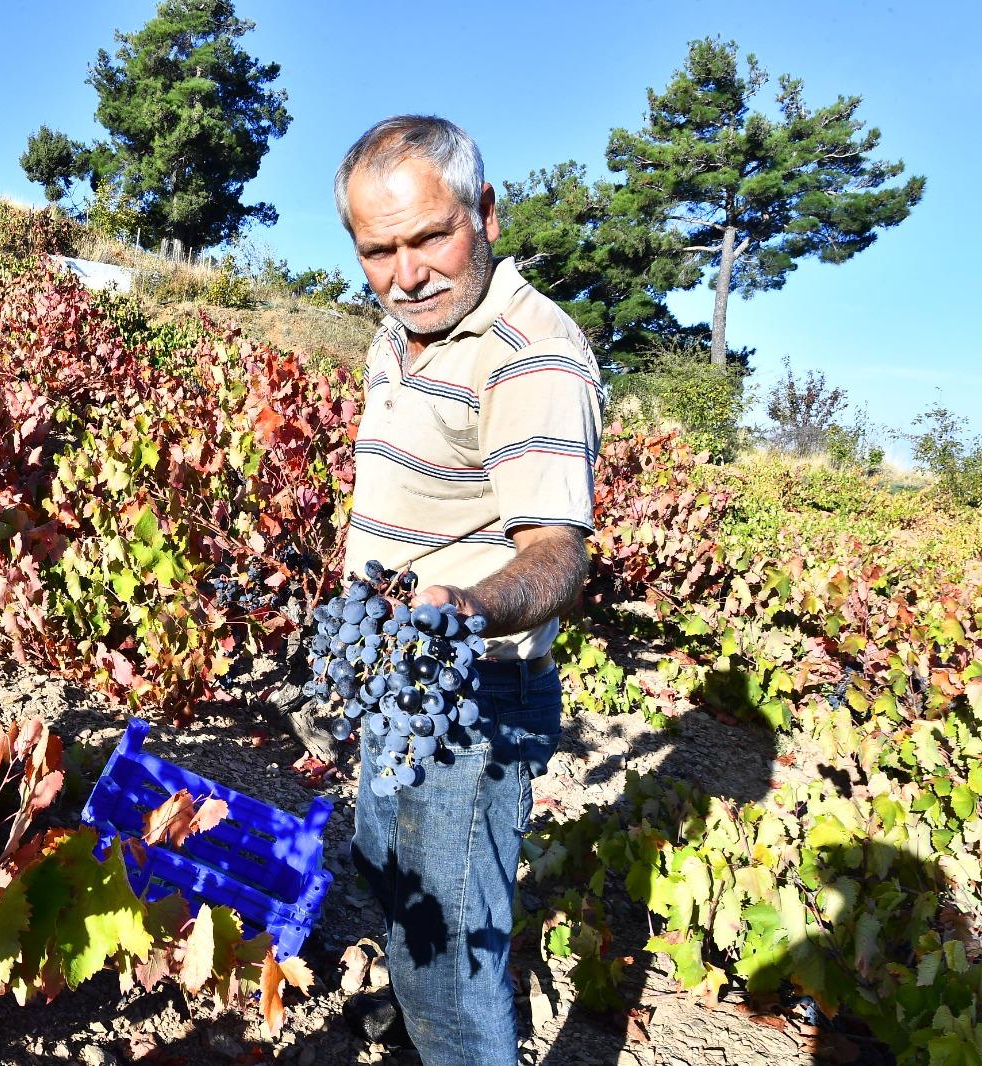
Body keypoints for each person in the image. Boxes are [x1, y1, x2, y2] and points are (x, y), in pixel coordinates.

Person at [333, 115, 602, 1065]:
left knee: (448, 964)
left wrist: (467, 609)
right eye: (379, 252)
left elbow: (557, 554)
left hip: (470, 695)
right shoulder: (403, 333)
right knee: (393, 878)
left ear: (485, 213)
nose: (406, 274)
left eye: (429, 238)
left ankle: (451, 1036)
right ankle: (422, 1021)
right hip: (399, 678)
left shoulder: (530, 354)